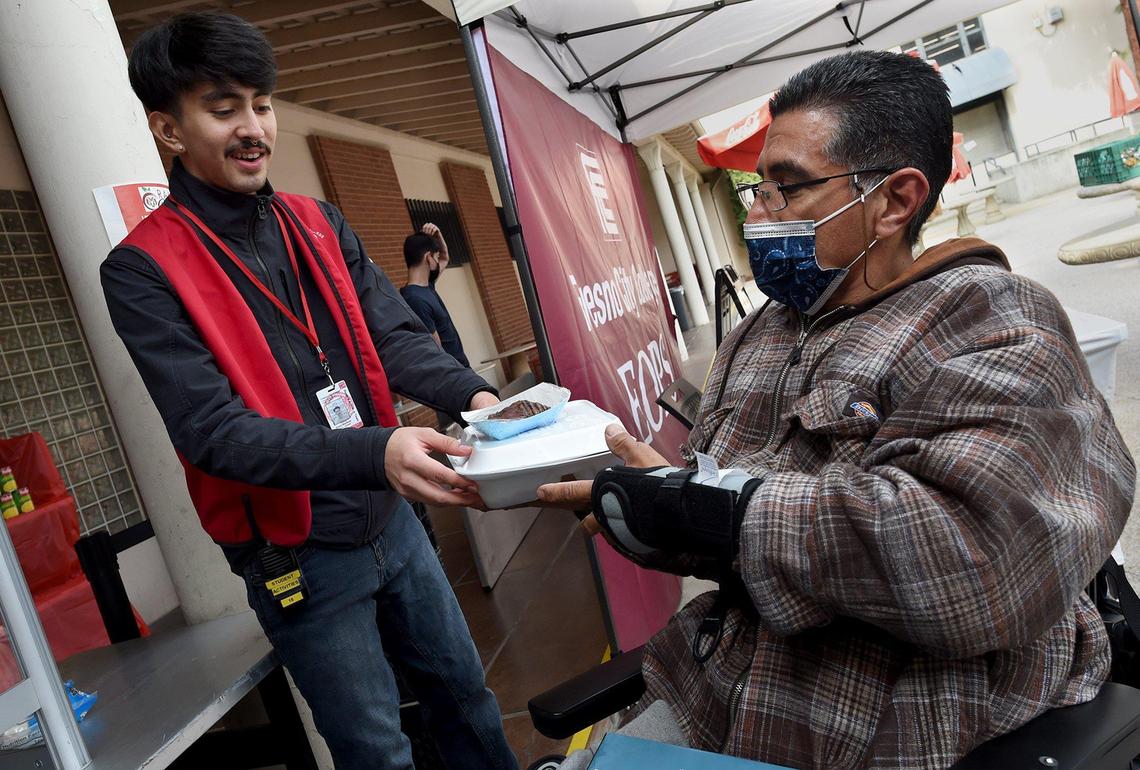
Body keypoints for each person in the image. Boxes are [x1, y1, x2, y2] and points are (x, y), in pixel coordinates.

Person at [539, 50, 1135, 769]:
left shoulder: (994, 322)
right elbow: (725, 532)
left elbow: (977, 562)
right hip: (718, 692)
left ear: (894, 200)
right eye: (758, 187)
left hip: (897, 728)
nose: (758, 213)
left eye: (787, 187)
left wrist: (699, 506)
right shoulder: (758, 335)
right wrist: (647, 509)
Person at [100, 13, 516, 770]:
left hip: (391, 519)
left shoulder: (316, 220)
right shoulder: (142, 268)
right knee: (373, 748)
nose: (254, 127)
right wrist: (378, 451)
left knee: (466, 698)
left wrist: (482, 400)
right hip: (296, 551)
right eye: (224, 109)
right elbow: (213, 432)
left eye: (262, 104)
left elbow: (392, 338)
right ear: (168, 129)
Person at [402, 224, 470, 367]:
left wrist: (438, 234)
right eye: (436, 256)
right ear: (428, 257)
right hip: (454, 373)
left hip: (461, 366)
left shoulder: (427, 286)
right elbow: (436, 350)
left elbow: (445, 257)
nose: (439, 260)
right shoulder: (415, 299)